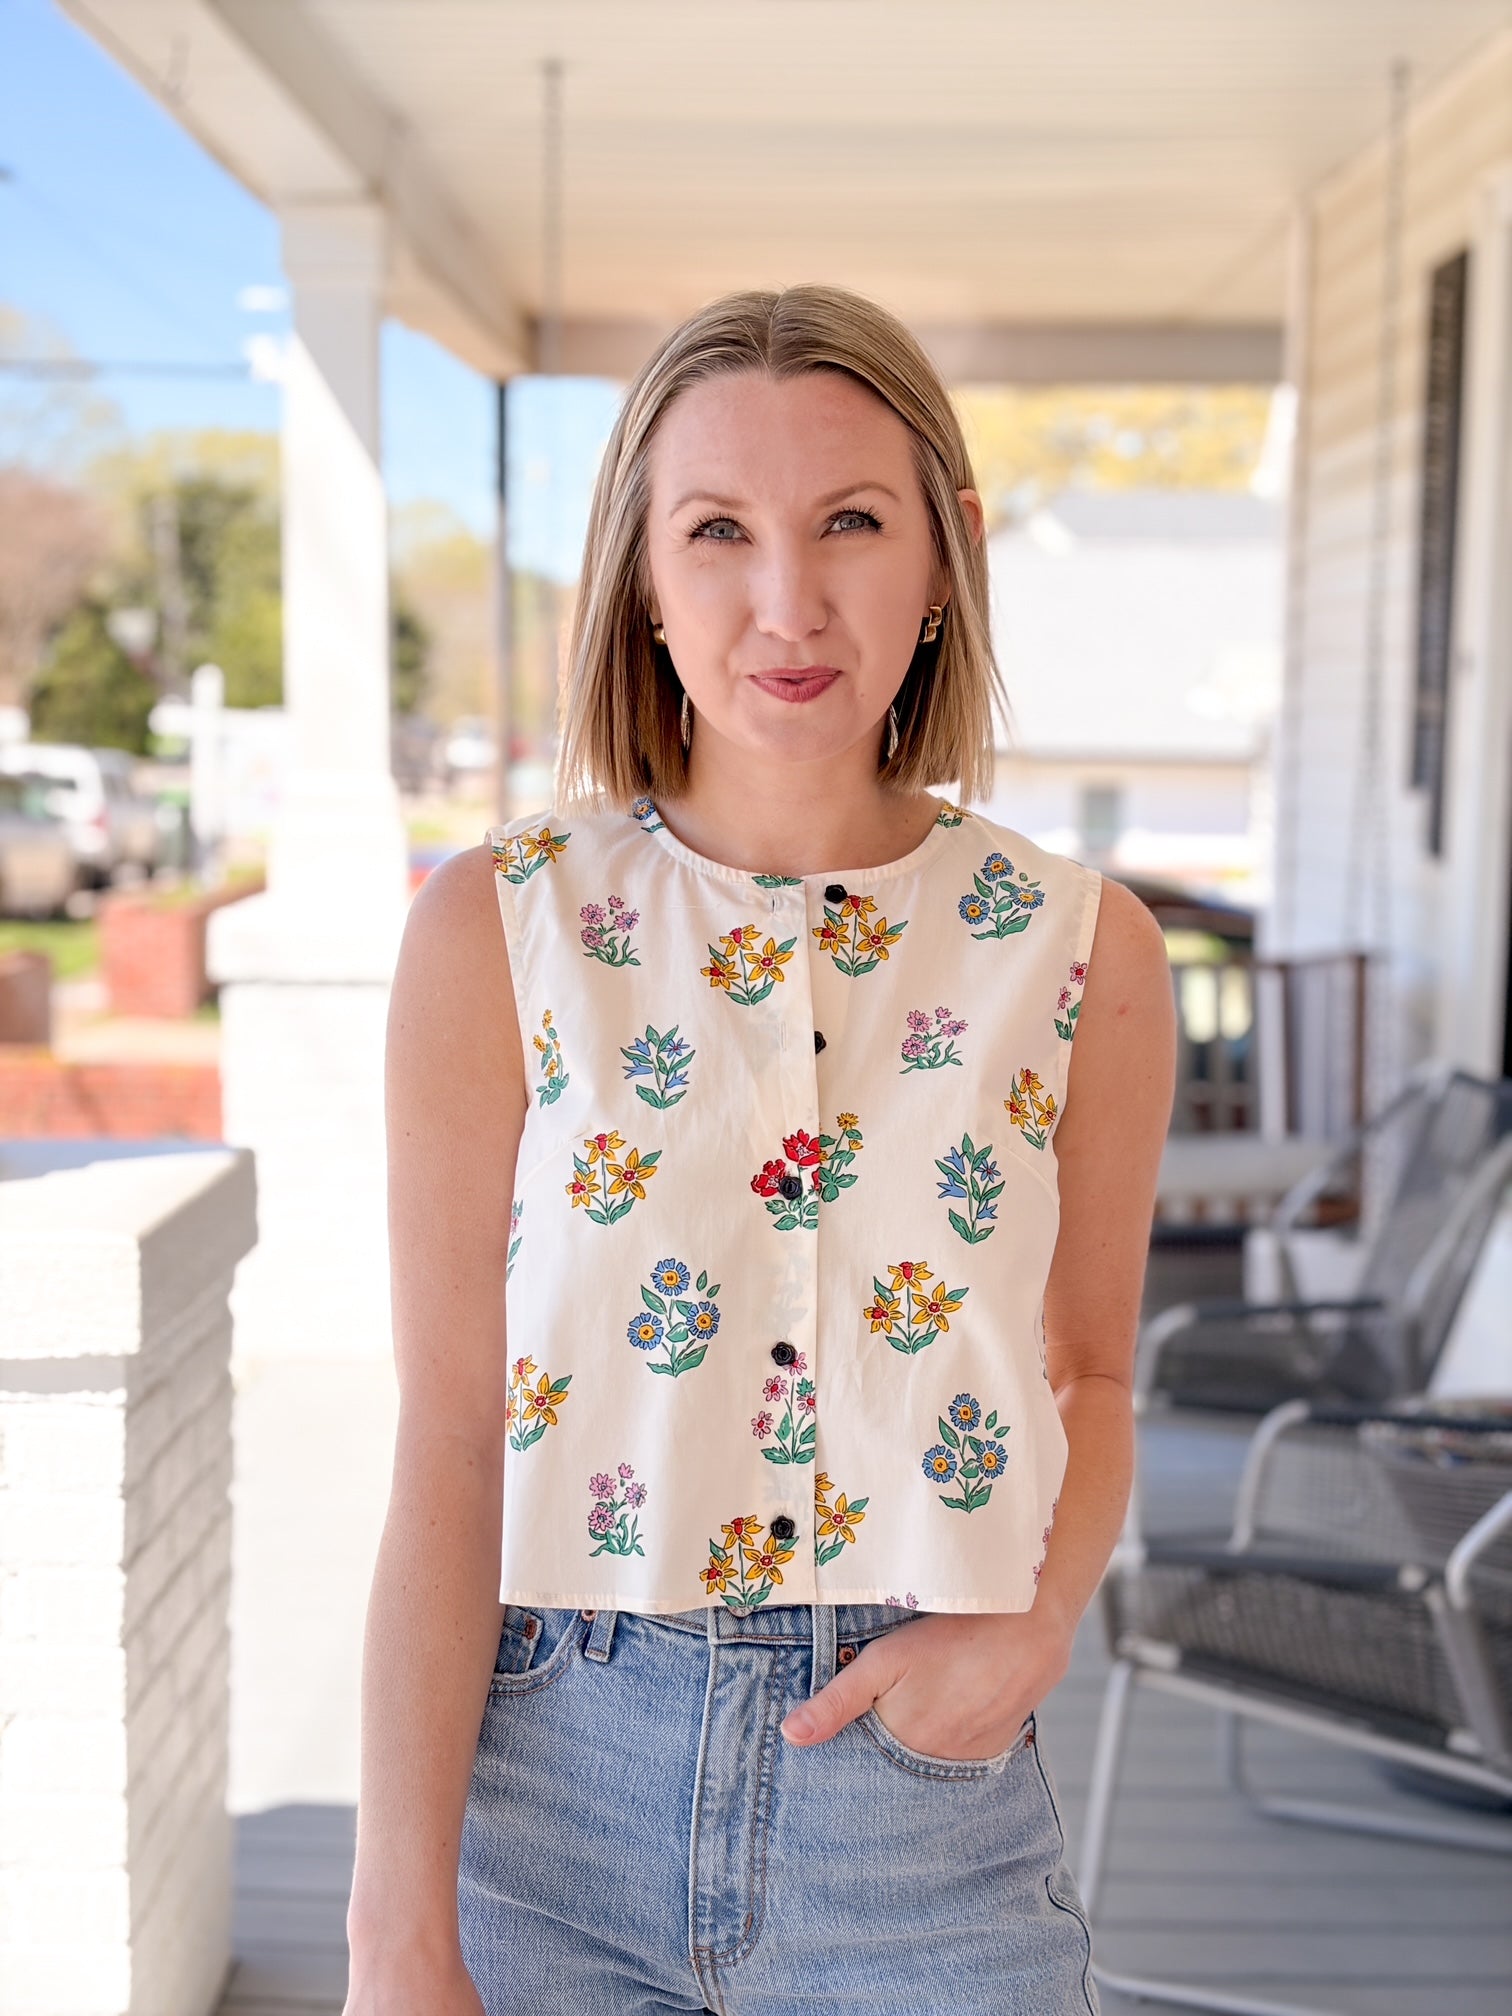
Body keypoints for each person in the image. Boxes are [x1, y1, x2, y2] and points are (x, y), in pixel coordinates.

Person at [344, 284, 1176, 2015]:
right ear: (642, 577)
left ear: (945, 557)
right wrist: (393, 1929)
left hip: (923, 1810)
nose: (787, 602)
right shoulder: (498, 929)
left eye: (850, 523)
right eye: (717, 530)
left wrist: (1037, 1622)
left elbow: (1093, 1373)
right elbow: (453, 1438)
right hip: (549, 1789)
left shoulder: (1080, 947)